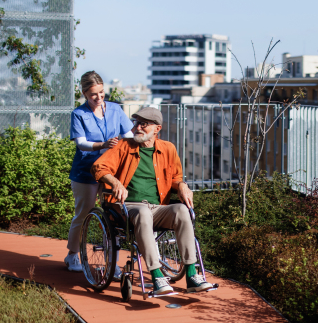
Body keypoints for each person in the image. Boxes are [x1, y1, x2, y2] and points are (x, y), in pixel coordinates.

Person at [91, 107, 214, 294]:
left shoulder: (168, 149)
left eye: (143, 124)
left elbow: (176, 177)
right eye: (136, 123)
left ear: (157, 129)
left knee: (182, 210)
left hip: (157, 208)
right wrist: (114, 181)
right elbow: (98, 167)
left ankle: (191, 275)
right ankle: (157, 276)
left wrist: (181, 186)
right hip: (127, 207)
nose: (137, 127)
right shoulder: (123, 146)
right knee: (143, 212)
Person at [64, 71, 134, 276]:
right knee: (84, 213)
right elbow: (81, 143)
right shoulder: (78, 114)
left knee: (113, 217)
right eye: (94, 94)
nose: (99, 97)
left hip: (110, 170)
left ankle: (112, 264)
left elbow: (128, 135)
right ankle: (72, 255)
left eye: (102, 92)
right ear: (85, 93)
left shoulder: (115, 109)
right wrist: (103, 145)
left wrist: (132, 143)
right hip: (85, 171)